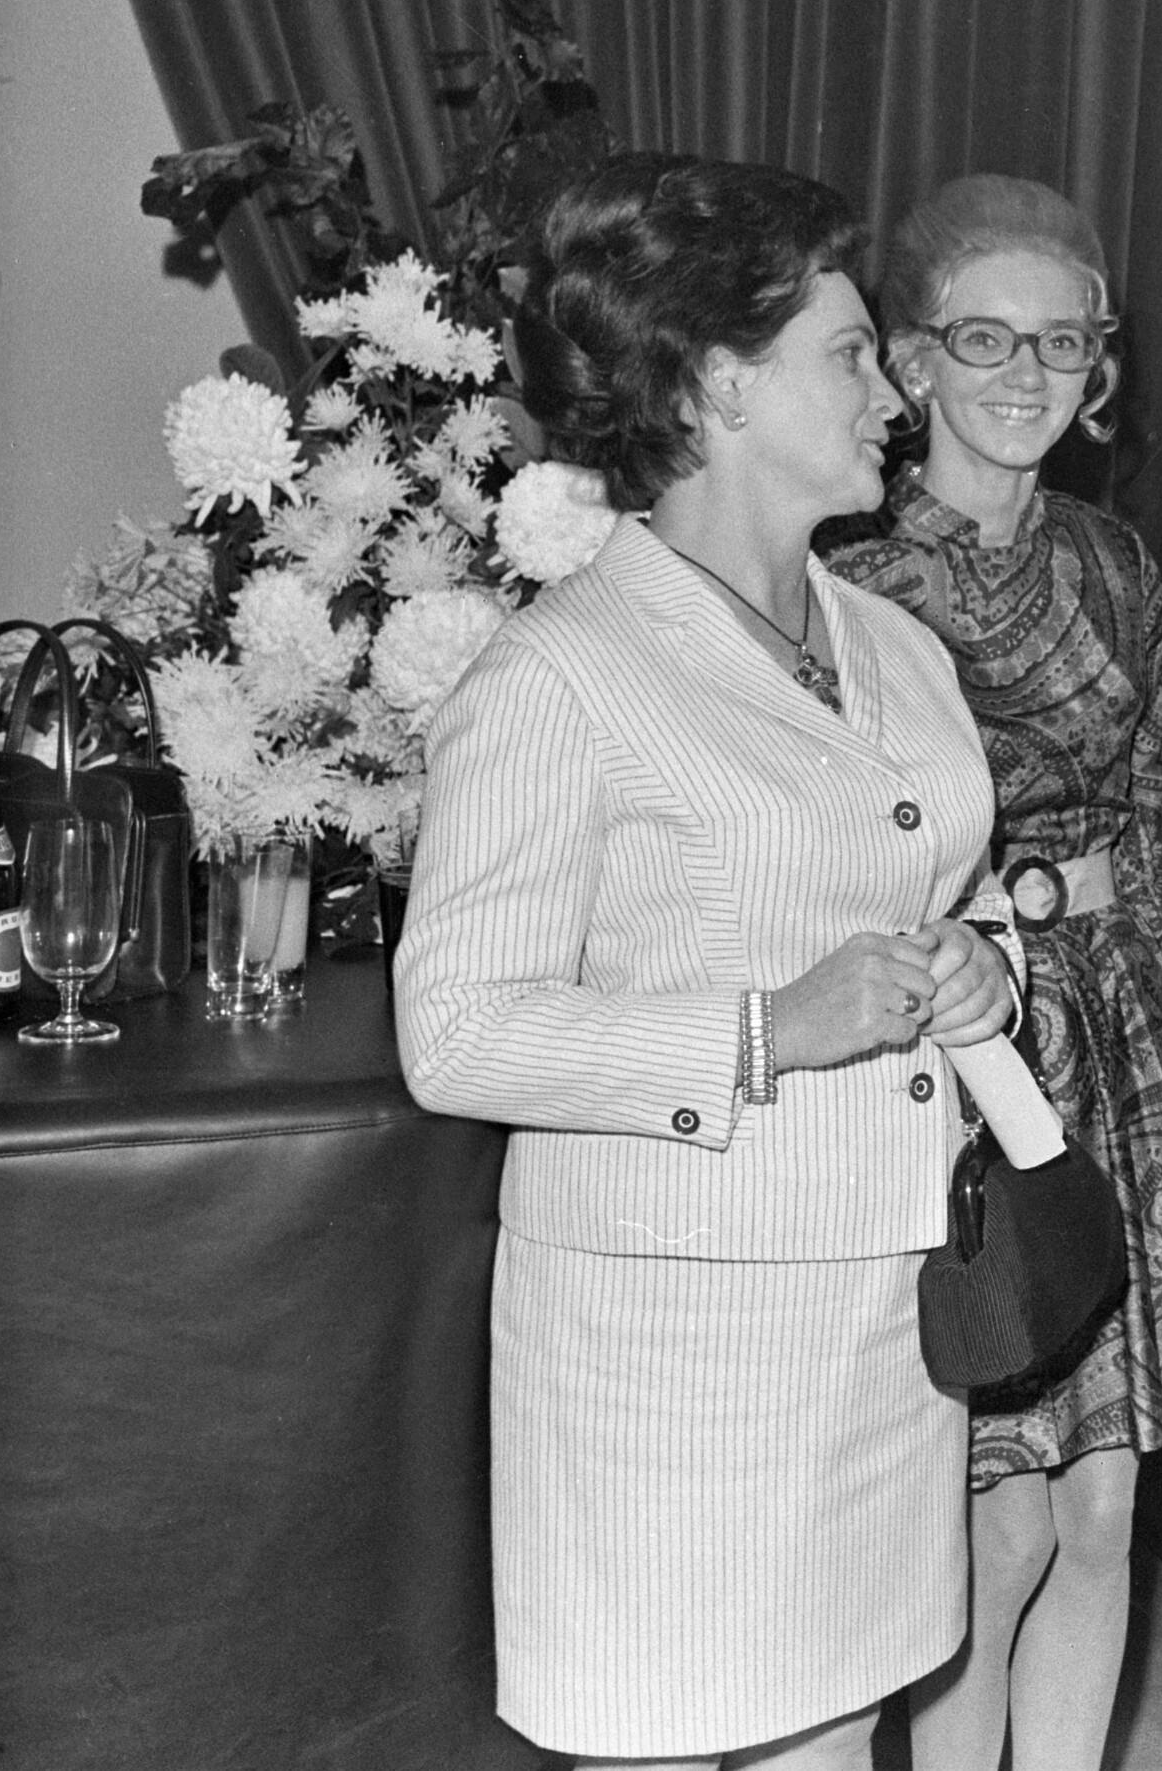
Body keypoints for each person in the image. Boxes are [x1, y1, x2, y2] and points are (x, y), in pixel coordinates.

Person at [395, 154, 1018, 1770]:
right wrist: (766, 1029)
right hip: (669, 1343)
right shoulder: (557, 677)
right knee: (665, 1735)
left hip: (884, 1311)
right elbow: (456, 1032)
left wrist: (984, 968)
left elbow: (946, 889)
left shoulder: (896, 647)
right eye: (853, 352)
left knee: (840, 1728)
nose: (897, 394)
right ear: (721, 383)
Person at [820, 174, 1162, 1771]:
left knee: (1106, 1503)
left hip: (1108, 1044)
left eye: (1062, 341)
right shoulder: (847, 577)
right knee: (991, 1529)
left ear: (1098, 364)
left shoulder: (1118, 559)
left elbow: (1160, 822)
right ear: (912, 360)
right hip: (949, 1050)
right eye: (983, 337)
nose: (1025, 373)